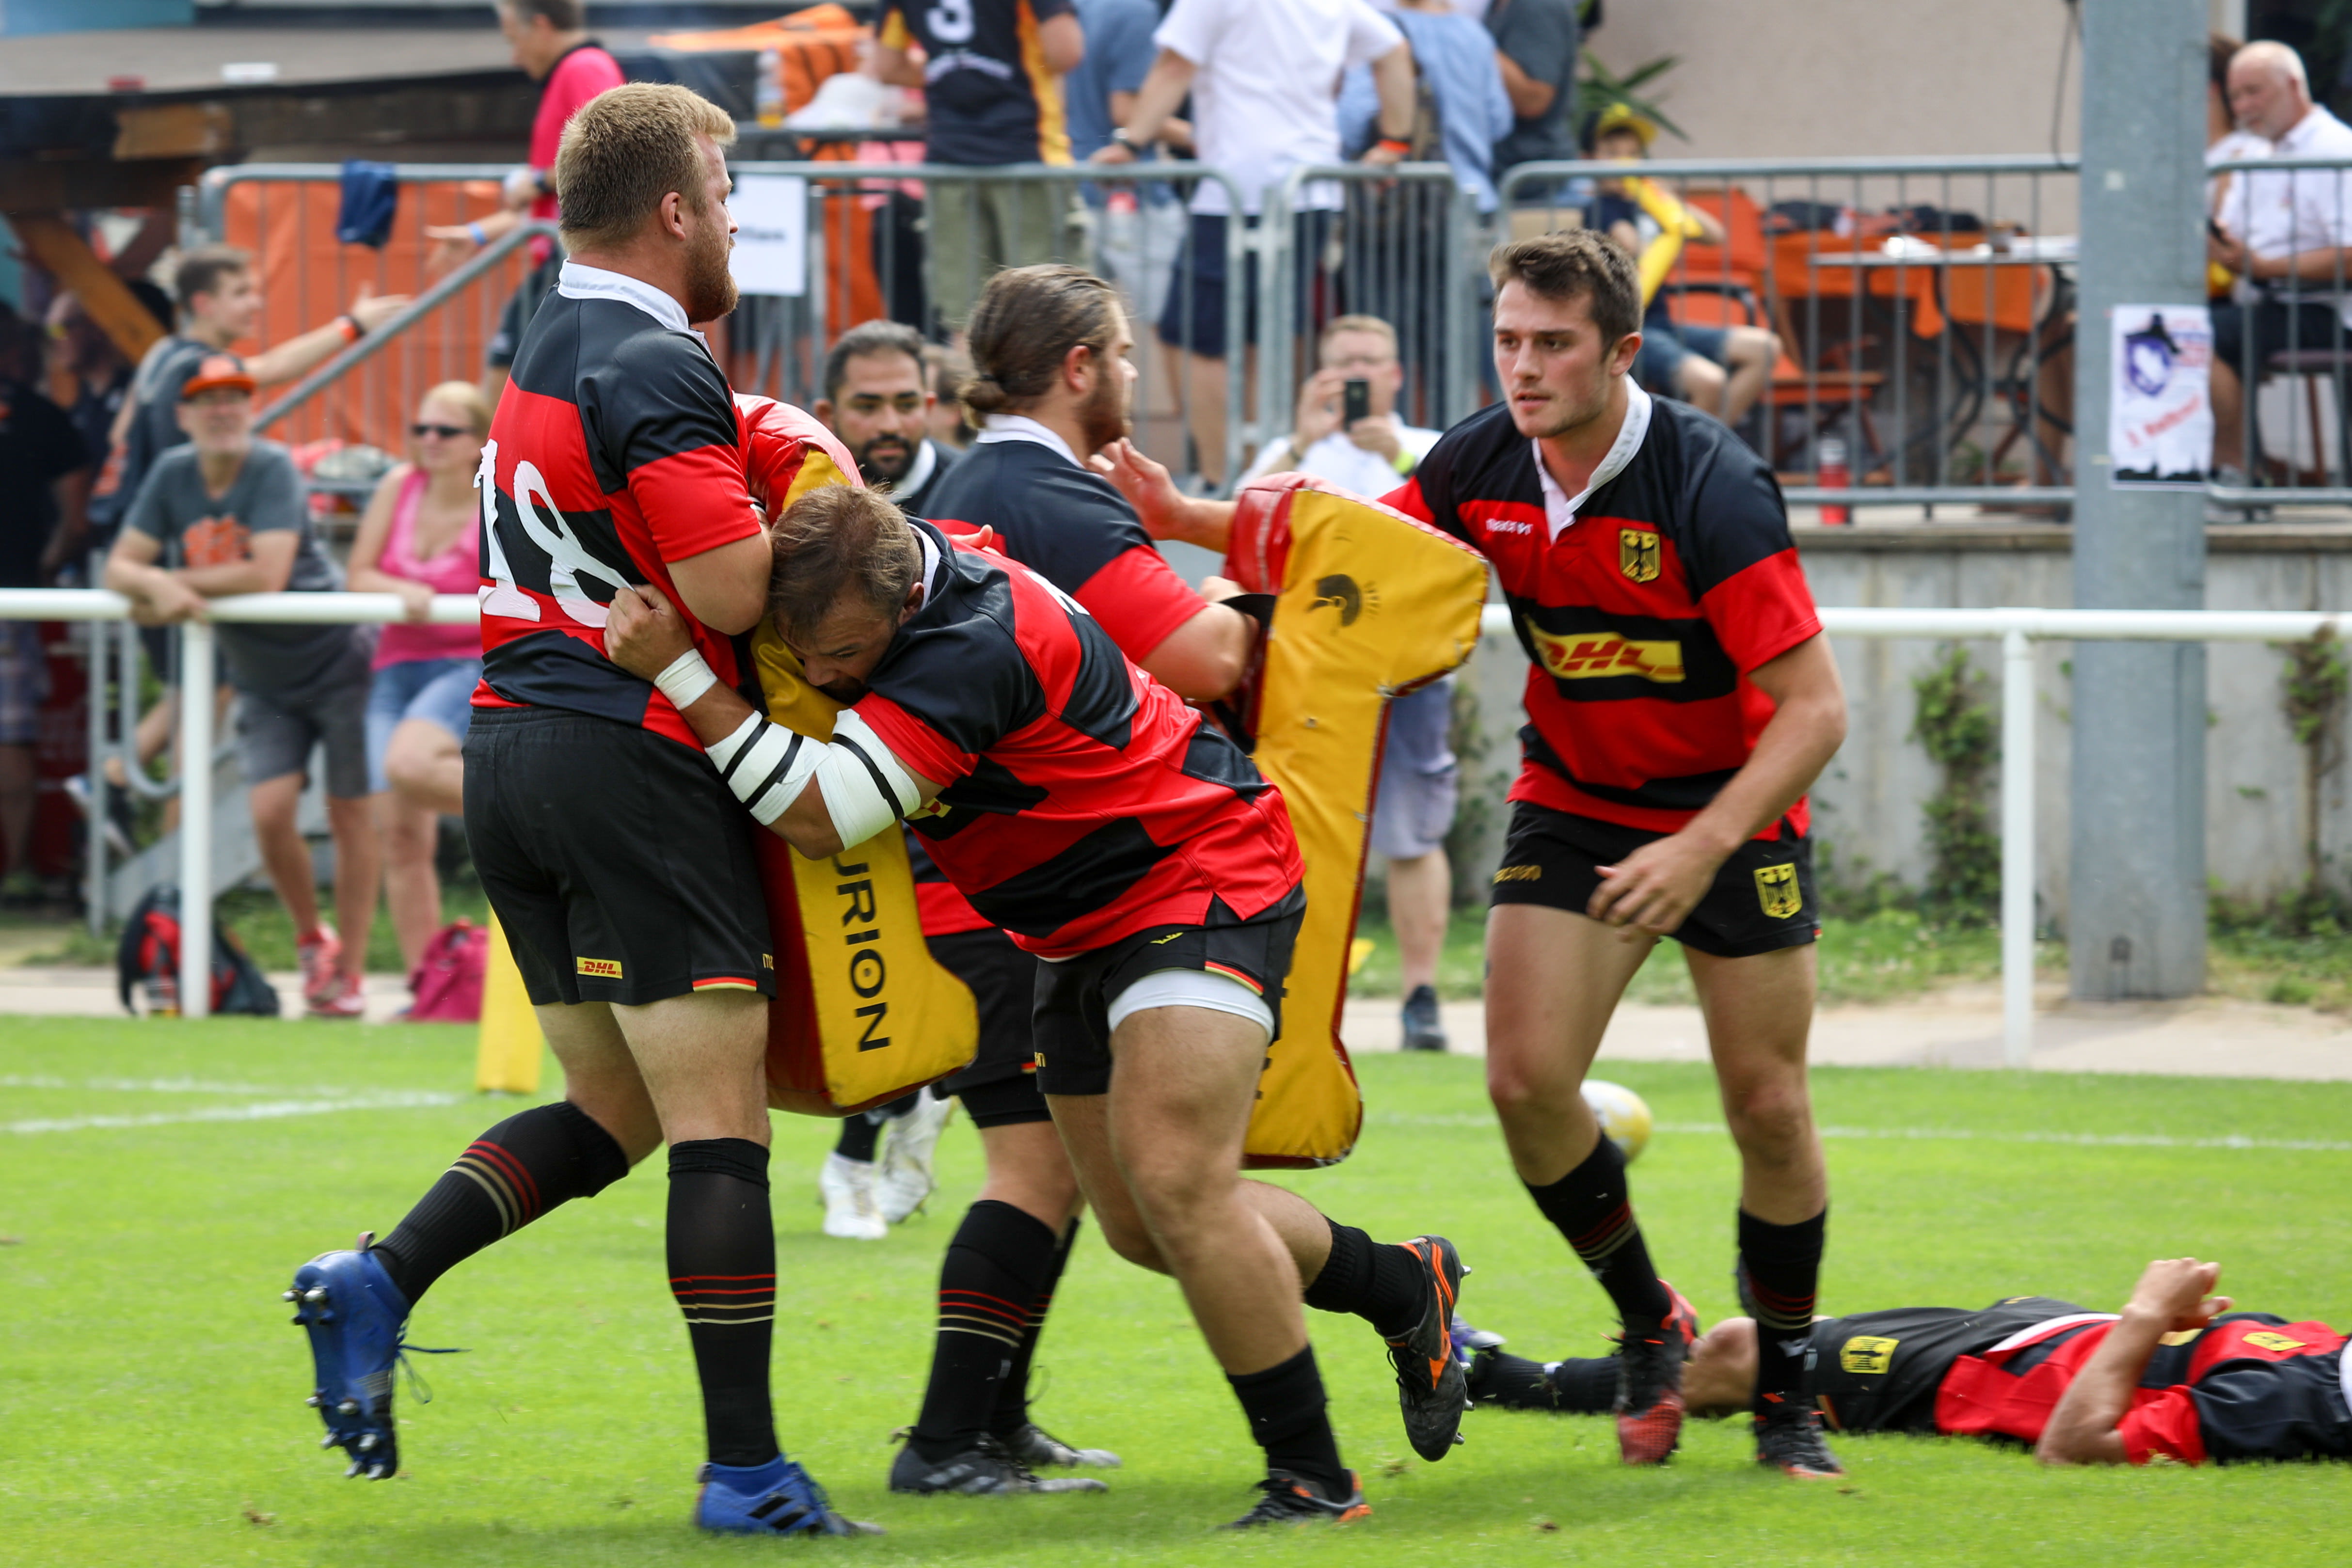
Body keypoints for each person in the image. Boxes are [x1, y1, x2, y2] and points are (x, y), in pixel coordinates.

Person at [1105, 230, 1850, 1478]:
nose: (1524, 367)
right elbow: (1350, 557)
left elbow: (1815, 710)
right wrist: (1182, 517)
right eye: (1509, 341)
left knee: (1768, 1107)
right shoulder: (1478, 459)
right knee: (1523, 1085)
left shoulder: (1708, 482)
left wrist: (1700, 845)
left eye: (1553, 344)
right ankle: (1650, 1322)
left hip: (1732, 812)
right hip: (1577, 800)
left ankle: (1785, 1396)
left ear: (1621, 351)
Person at [603, 478, 1472, 1529]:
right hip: (1071, 927)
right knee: (1142, 1228)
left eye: (844, 651)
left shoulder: (970, 644)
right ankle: (1402, 1285)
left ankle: (1313, 1481)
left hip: (1197, 876)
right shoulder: (901, 574)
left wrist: (683, 676)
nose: (824, 677)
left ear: (904, 599)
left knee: (1177, 1184)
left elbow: (825, 819)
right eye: (806, 652)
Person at [281, 84, 876, 1539]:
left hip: (510, 752)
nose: (732, 220)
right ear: (674, 208)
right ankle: (747, 1476)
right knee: (721, 1124)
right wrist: (834, 507)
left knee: (617, 1109)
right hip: (630, 759)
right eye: (724, 195)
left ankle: (380, 1275)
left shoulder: (548, 334)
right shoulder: (655, 358)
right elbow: (729, 590)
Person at [1465, 1256, 2352, 1468]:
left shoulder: (2289, 1410)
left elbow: (2075, 1443)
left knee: (1741, 1352)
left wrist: (2146, 1314)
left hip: (1980, 1378)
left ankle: (1498, 1381)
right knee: (1774, 1332)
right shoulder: (2331, 1356)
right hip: (2037, 1331)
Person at [103, 356, 383, 1017]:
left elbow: (266, 572)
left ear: (251, 408)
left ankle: (350, 968)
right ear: (183, 415)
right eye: (208, 400)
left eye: (235, 397)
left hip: (336, 659)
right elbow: (120, 565)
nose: (223, 410)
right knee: (269, 811)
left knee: (350, 813)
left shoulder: (272, 466)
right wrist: (152, 582)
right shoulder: (173, 473)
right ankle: (313, 940)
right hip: (261, 678)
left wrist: (169, 584)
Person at [1238, 313, 1454, 1051]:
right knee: (1291, 832)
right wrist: (1301, 441)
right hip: (1310, 675)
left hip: (1410, 671)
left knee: (1413, 834)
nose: (1358, 376)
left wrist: (1397, 454)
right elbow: (1239, 524)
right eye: (1343, 363)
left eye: (1370, 362)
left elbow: (1462, 531)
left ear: (1396, 375)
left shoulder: (1428, 450)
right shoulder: (1292, 452)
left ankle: (1421, 997)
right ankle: (1288, 995)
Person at [1090, 0, 1416, 489]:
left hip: (1238, 189)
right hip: (1307, 187)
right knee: (1267, 338)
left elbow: (1174, 66)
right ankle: (1258, 476)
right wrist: (1394, 141)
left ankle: (1226, 481)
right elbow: (1394, 51)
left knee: (1196, 338)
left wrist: (1131, 143)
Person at [345, 382, 490, 975]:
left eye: (445, 431)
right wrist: (402, 589)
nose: (429, 440)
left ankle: (543, 806)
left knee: (407, 765)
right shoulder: (398, 485)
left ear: (478, 441)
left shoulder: (495, 495)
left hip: (467, 662)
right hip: (396, 665)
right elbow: (358, 573)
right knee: (400, 837)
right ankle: (427, 989)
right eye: (421, 428)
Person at [426, 0, 624, 396]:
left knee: (508, 381)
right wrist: (478, 234)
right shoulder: (579, 68)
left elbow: (610, 150)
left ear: (541, 26)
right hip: (565, 259)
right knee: (514, 380)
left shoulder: (584, 66)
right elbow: (552, 205)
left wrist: (536, 180)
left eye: (514, 40)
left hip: (572, 263)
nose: (514, 57)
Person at [871, 0, 1085, 333]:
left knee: (967, 317)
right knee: (1049, 310)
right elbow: (1066, 52)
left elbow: (886, 66)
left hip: (951, 158)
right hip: (1026, 152)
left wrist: (954, 69)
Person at [2206, 41, 2352, 482]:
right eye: (2235, 97)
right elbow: (2232, 237)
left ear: (2293, 86)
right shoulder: (2255, 154)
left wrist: (2266, 267)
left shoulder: (2336, 148)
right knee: (2178, 325)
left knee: (2197, 335)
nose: (2243, 107)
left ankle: (2237, 474)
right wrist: (2219, 239)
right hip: (2269, 301)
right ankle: (2236, 472)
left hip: (2330, 308)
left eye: (2254, 92)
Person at [1583, 105, 1781, 431]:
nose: (1624, 163)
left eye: (1633, 154)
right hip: (1625, 331)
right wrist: (1657, 212)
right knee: (1710, 382)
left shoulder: (1650, 205)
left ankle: (1706, 447)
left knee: (1765, 348)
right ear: (1588, 159)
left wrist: (1667, 199)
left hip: (1661, 324)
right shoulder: (1599, 208)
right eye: (1612, 153)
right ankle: (1685, 455)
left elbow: (1715, 234)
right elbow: (1630, 244)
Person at [0, 308, 89, 903]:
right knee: (9, 742)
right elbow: (78, 519)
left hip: (14, 596)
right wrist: (48, 569)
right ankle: (13, 873)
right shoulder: (42, 416)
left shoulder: (40, 415)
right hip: (13, 596)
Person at [1338, 0, 1514, 219]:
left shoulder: (1384, 35)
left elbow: (1352, 121)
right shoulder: (1476, 35)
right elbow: (1499, 122)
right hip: (1475, 197)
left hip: (1406, 205)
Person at [813, 320, 960, 519]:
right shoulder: (799, 488)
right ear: (828, 415)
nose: (890, 426)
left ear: (928, 408)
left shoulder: (970, 486)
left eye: (907, 405)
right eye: (867, 407)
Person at [1488, 0, 1579, 180]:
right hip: (1510, 174)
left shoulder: (1539, 6)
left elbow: (1534, 100)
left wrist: (1471, 39)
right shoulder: (1496, 6)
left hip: (1536, 179)